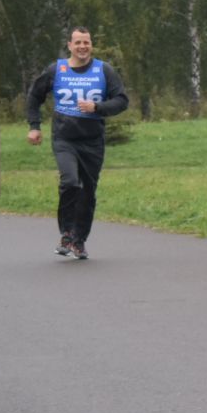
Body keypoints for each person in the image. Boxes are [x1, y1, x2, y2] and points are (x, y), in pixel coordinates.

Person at [25, 26, 129, 261]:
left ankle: (79, 240)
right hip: (64, 138)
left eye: (87, 43)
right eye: (78, 43)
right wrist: (34, 126)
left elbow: (122, 101)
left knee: (88, 192)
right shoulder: (57, 69)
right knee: (70, 181)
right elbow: (34, 96)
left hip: (92, 141)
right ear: (70, 46)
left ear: (91, 46)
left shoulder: (104, 70)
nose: (83, 47)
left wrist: (97, 107)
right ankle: (66, 233)